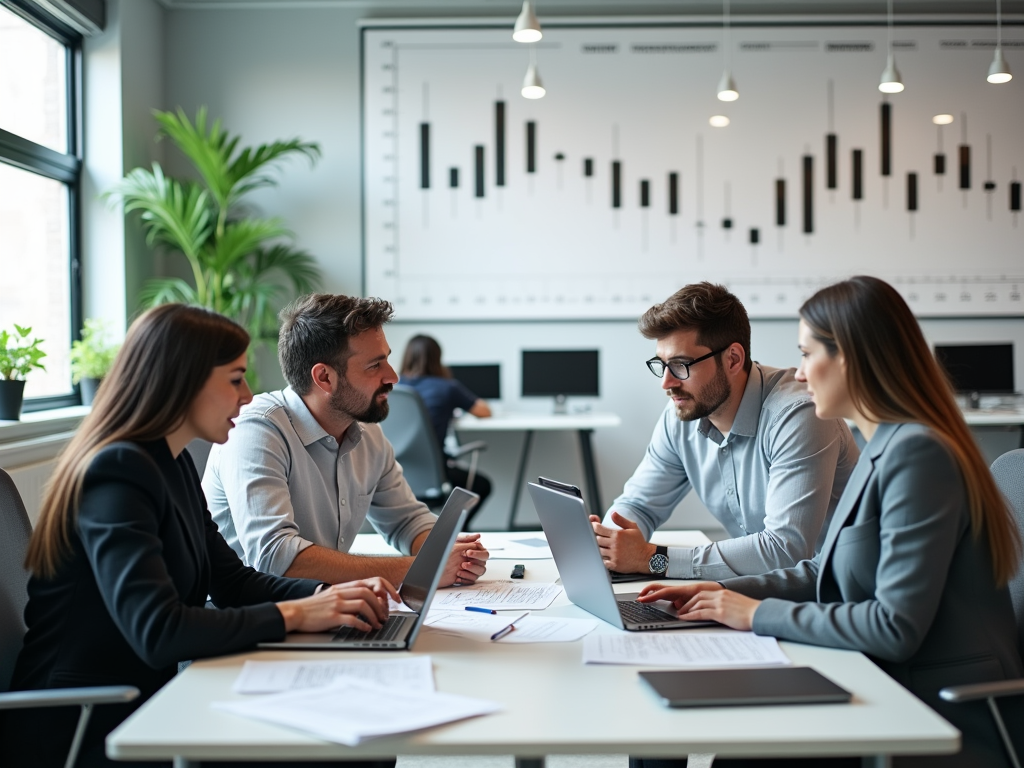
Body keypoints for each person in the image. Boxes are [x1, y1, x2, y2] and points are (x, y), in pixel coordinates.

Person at [636, 276, 1024, 768]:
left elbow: (894, 626)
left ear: (853, 360)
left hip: (933, 705)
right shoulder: (886, 445)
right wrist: (719, 596)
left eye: (806, 354)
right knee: (698, 708)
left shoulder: (920, 455)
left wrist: (752, 614)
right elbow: (824, 571)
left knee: (737, 750)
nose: (798, 374)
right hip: (883, 676)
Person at [0, 305, 399, 768]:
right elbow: (160, 631)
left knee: (360, 741)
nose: (248, 396)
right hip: (86, 726)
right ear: (182, 381)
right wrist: (299, 612)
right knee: (351, 753)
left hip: (147, 700)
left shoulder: (169, 464)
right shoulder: (116, 472)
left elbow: (233, 582)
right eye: (235, 379)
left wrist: (332, 596)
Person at [203, 293, 489, 587]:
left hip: (322, 609)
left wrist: (450, 553)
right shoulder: (256, 429)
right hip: (251, 618)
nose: (393, 377)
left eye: (387, 360)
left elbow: (407, 521)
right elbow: (276, 557)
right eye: (374, 365)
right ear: (324, 377)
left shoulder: (366, 432)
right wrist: (420, 569)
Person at [593, 282, 859, 580]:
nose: (666, 383)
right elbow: (639, 504)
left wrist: (653, 559)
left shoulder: (798, 415)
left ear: (733, 359)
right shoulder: (682, 415)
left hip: (830, 593)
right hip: (759, 589)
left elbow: (785, 550)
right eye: (662, 365)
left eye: (681, 365)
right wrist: (611, 543)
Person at [399, 334, 493, 521]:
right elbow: (484, 411)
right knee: (482, 486)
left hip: (395, 472)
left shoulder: (393, 387)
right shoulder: (447, 387)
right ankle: (456, 531)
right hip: (436, 472)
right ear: (437, 358)